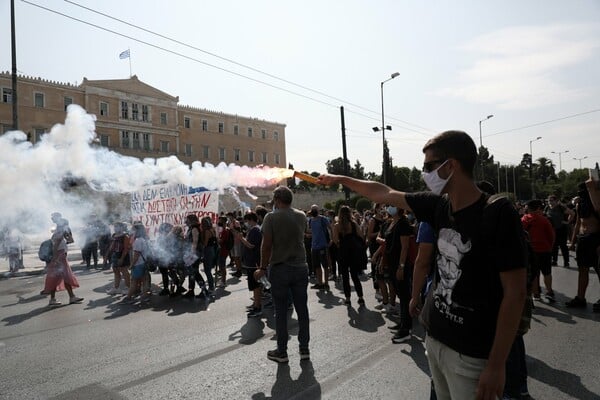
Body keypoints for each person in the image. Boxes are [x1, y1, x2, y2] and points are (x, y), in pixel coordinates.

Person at [319, 130, 527, 400]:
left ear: (451, 165)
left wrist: (497, 365)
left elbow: (515, 294)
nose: (424, 173)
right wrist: (339, 179)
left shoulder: (498, 213)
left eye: (429, 166)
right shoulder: (438, 206)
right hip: (437, 340)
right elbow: (384, 192)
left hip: (472, 355)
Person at [256, 186, 310, 363]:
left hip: (280, 268)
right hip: (300, 266)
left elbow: (266, 245)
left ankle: (282, 351)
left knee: (280, 311)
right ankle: (304, 349)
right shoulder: (302, 215)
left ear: (277, 199)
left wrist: (262, 268)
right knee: (302, 309)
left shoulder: (271, 217)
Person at [566, 180, 600, 312]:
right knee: (582, 270)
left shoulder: (597, 202)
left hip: (596, 239)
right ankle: (580, 298)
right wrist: (573, 242)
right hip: (583, 240)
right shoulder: (580, 204)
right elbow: (578, 224)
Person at [522, 199, 556, 302]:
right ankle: (549, 291)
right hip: (544, 250)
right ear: (538, 208)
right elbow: (551, 236)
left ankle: (536, 294)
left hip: (530, 251)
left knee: (534, 274)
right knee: (547, 272)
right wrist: (550, 247)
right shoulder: (544, 220)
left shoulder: (523, 220)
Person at [332, 205, 365, 306]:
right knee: (355, 276)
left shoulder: (337, 225)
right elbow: (361, 236)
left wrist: (340, 244)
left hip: (343, 252)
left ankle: (347, 299)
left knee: (345, 277)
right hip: (353, 252)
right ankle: (360, 298)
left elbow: (335, 240)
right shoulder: (353, 224)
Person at [44, 224, 84, 306]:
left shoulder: (60, 235)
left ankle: (60, 298)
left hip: (60, 258)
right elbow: (55, 247)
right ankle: (69, 297)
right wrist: (55, 259)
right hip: (59, 258)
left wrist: (68, 234)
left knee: (59, 278)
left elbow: (71, 241)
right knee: (64, 277)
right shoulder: (58, 235)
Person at [238, 212, 263, 317]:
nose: (246, 223)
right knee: (253, 285)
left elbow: (251, 245)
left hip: (254, 262)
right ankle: (255, 304)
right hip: (251, 261)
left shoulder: (256, 230)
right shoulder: (253, 230)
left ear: (251, 220)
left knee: (256, 285)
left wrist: (241, 239)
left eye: (247, 221)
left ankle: (258, 307)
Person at [122, 222, 151, 304]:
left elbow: (136, 255)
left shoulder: (138, 241)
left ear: (137, 231)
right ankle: (144, 297)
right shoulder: (144, 239)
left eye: (133, 229)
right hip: (144, 263)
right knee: (144, 281)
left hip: (138, 264)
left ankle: (129, 297)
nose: (131, 231)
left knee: (134, 281)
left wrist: (131, 265)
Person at [307, 204, 332, 291]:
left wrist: (331, 240)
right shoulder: (310, 221)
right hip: (314, 246)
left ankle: (326, 283)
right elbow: (312, 232)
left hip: (322, 245)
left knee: (325, 265)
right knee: (317, 266)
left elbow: (330, 228)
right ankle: (320, 283)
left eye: (314, 209)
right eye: (312, 209)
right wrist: (307, 235)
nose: (313, 211)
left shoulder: (323, 219)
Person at [183, 214, 207, 299]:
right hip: (193, 253)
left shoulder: (194, 229)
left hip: (194, 254)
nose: (186, 221)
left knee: (194, 273)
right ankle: (191, 290)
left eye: (187, 219)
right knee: (192, 273)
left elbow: (195, 242)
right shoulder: (191, 228)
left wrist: (192, 254)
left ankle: (204, 290)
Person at [545, 195, 572, 267]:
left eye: (551, 200)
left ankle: (566, 262)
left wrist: (567, 222)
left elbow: (572, 213)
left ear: (556, 201)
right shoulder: (547, 208)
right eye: (549, 200)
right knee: (554, 246)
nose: (550, 202)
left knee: (563, 246)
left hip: (561, 229)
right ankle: (554, 261)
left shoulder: (561, 207)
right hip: (552, 230)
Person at [106, 222, 131, 295]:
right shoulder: (114, 235)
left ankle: (128, 288)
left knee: (124, 271)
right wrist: (107, 255)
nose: (115, 228)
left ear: (121, 227)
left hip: (122, 255)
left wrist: (122, 258)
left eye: (117, 226)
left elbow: (126, 249)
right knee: (116, 271)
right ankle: (116, 288)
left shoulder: (125, 236)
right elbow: (111, 246)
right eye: (114, 226)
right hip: (115, 255)